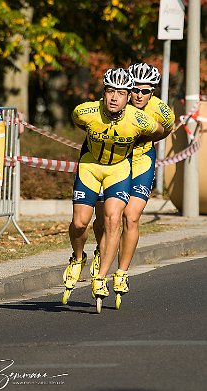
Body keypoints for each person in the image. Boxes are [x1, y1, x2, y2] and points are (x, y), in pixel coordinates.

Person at [62, 67, 165, 306]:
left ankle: (104, 276)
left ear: (128, 96)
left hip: (121, 168)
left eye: (120, 92)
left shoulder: (142, 118)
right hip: (90, 165)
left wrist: (141, 140)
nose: (114, 97)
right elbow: (79, 120)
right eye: (110, 91)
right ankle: (78, 258)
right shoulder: (86, 111)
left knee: (117, 219)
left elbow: (161, 130)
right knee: (80, 222)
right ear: (104, 93)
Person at [90, 63, 175, 304]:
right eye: (135, 89)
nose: (138, 95)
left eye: (145, 91)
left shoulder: (162, 111)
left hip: (140, 163)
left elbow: (168, 129)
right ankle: (102, 248)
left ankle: (122, 273)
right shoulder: (118, 101)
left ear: (153, 92)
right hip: (114, 163)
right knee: (104, 217)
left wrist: (149, 137)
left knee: (131, 216)